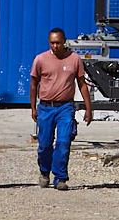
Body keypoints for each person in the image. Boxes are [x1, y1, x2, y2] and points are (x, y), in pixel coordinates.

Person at [29, 27, 93, 190]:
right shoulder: (40, 59)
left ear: (64, 42)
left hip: (65, 107)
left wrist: (88, 108)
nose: (55, 46)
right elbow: (33, 85)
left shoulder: (74, 60)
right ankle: (44, 172)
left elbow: (82, 84)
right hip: (45, 107)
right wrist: (33, 108)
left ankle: (60, 178)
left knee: (64, 142)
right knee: (44, 144)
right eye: (52, 43)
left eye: (58, 43)